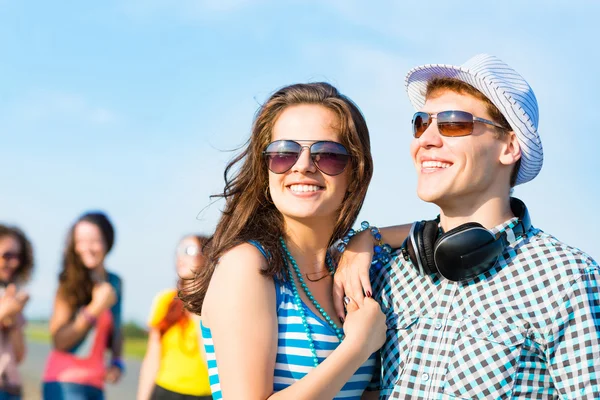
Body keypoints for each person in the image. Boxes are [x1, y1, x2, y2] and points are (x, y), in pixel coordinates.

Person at [333, 54, 600, 399]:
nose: (425, 140)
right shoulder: (384, 271)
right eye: (420, 123)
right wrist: (365, 238)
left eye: (453, 123)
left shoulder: (567, 278)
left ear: (509, 146)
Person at [180, 82, 387, 399]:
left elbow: (446, 229)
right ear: (266, 169)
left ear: (355, 173)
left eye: (327, 155)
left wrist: (367, 237)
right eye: (283, 153)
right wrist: (358, 347)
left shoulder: (350, 271)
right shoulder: (247, 265)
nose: (302, 166)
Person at [42, 211, 124, 400]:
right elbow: (59, 341)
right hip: (64, 380)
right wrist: (95, 308)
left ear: (107, 241)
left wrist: (118, 362)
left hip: (97, 383)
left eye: (94, 240)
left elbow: (117, 329)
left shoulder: (115, 282)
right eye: (80, 241)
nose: (87, 248)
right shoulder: (68, 283)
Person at [137, 235, 212, 400]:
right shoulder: (165, 300)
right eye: (179, 251)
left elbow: (212, 361)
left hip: (204, 394)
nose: (181, 258)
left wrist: (198, 310)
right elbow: (152, 357)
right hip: (165, 391)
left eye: (189, 251)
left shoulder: (215, 304)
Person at [0, 224, 34, 400]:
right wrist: (3, 312)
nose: (14, 262)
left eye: (18, 257)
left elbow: (19, 356)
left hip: (10, 389)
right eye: (7, 255)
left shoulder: (11, 296)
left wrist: (13, 320)